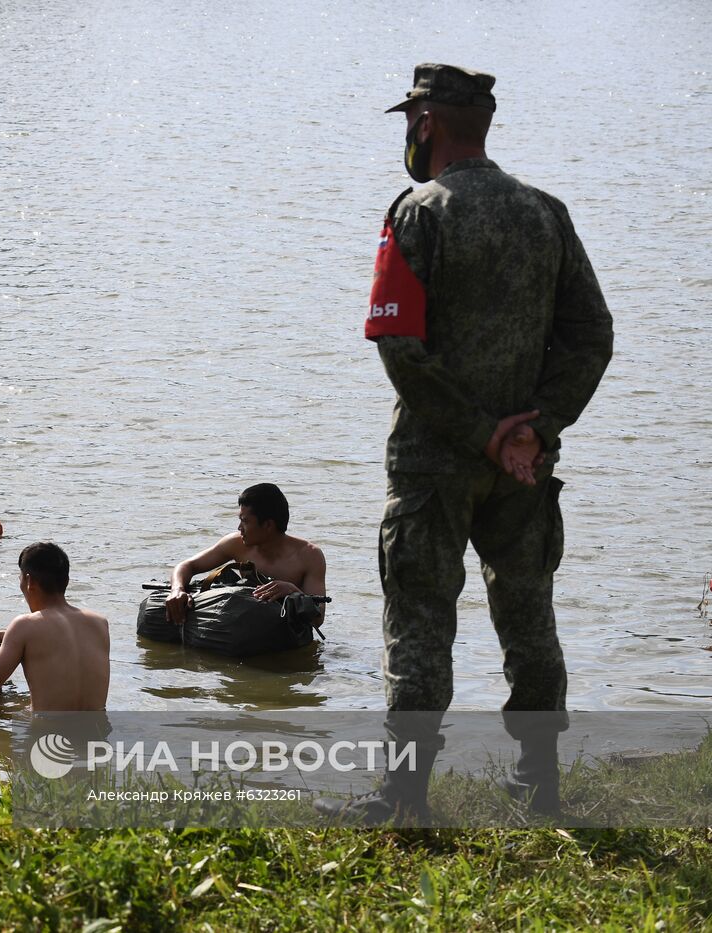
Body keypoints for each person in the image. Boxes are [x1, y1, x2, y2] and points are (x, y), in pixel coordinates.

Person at [314, 64, 613, 824]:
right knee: (529, 621)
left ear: (427, 125)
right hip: (523, 468)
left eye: (409, 120)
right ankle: (538, 785)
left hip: (433, 464)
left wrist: (481, 435)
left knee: (418, 627)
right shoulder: (546, 211)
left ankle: (404, 796)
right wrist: (535, 428)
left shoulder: (419, 214)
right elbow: (592, 334)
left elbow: (398, 346)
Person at [0, 542, 111, 712]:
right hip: (97, 733)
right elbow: (64, 643)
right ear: (67, 580)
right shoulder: (99, 623)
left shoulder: (24, 626)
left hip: (48, 736)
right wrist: (0, 635)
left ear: (29, 581)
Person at [165, 483, 326, 626]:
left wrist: (293, 591)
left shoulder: (310, 556)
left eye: (245, 521)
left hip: (281, 636)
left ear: (268, 525)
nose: (239, 527)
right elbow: (187, 566)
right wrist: (177, 590)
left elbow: (318, 619)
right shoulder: (236, 544)